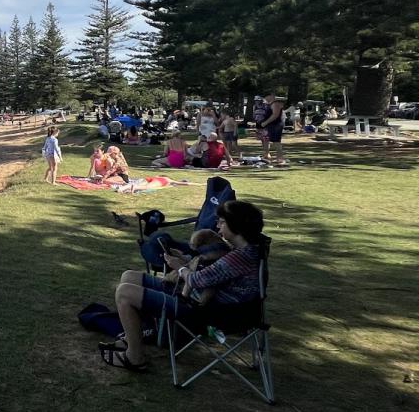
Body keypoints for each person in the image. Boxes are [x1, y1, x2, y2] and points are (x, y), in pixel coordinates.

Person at [101, 200, 265, 371]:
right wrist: (185, 262)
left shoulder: (239, 258)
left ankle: (135, 358)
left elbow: (195, 280)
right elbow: (211, 273)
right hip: (206, 301)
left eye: (222, 222)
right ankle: (133, 336)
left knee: (124, 293)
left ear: (236, 226)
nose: (217, 225)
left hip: (206, 311)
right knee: (129, 276)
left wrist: (178, 267)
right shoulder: (247, 250)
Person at [257, 94, 286, 165]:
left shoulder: (275, 104)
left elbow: (275, 115)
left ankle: (281, 159)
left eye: (266, 96)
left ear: (271, 96)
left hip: (276, 125)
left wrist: (265, 122)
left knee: (276, 142)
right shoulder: (269, 104)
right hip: (272, 125)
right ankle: (278, 158)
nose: (265, 98)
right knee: (274, 141)